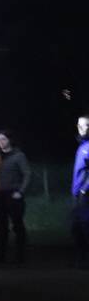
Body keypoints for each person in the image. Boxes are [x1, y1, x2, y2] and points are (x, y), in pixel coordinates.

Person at [0, 129, 32, 263]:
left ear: (10, 140)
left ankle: (20, 255)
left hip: (13, 195)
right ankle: (0, 255)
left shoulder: (18, 156)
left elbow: (27, 174)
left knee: (17, 226)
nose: (1, 142)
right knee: (1, 227)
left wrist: (20, 191)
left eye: (3, 139)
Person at [71, 115, 89, 268]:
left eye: (86, 125)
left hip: (85, 196)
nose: (82, 128)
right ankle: (80, 261)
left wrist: (85, 189)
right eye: (80, 125)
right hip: (78, 195)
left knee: (85, 227)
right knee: (77, 227)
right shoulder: (82, 145)